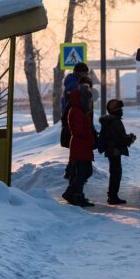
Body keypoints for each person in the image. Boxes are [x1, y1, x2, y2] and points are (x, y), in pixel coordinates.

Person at [62, 78, 95, 207]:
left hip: (83, 146)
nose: (89, 100)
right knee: (82, 172)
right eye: (87, 97)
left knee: (85, 172)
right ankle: (75, 194)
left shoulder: (80, 110)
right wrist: (89, 134)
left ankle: (72, 193)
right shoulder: (75, 110)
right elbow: (77, 130)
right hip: (79, 146)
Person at [98, 99, 136, 205]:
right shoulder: (115, 121)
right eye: (120, 109)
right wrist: (130, 138)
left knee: (114, 173)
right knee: (116, 173)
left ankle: (112, 195)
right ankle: (113, 196)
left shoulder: (110, 121)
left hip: (111, 150)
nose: (122, 111)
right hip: (115, 150)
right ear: (115, 110)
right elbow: (120, 138)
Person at [59, 62, 89, 147]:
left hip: (73, 117)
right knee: (77, 143)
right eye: (86, 72)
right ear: (81, 72)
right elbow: (75, 100)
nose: (87, 75)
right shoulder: (74, 84)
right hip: (75, 118)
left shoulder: (73, 82)